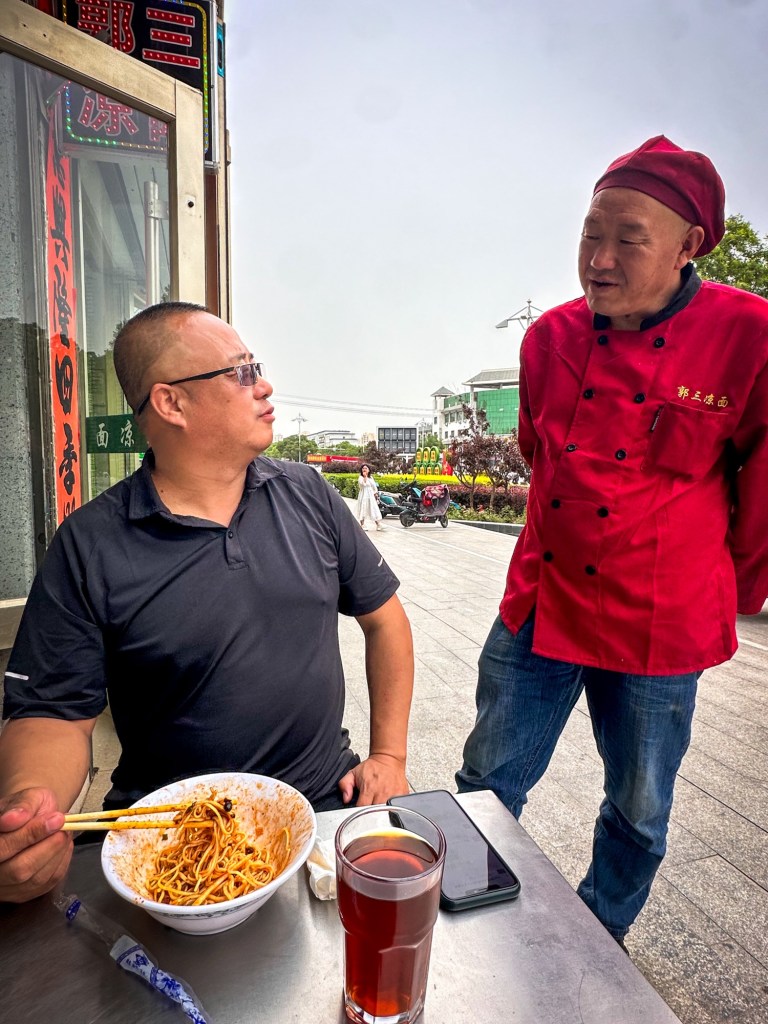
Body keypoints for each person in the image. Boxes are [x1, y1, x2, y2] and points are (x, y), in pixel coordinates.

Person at [456, 135, 768, 946]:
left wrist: (732, 591)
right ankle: (463, 929)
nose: (599, 259)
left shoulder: (750, 333)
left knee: (640, 806)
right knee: (484, 781)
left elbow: (764, 479)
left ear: (689, 245)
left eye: (628, 240)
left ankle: (603, 938)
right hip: (545, 595)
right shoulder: (548, 339)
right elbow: (538, 452)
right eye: (591, 234)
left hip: (660, 613)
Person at [0, 302, 414, 904]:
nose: (264, 386)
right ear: (171, 403)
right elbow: (53, 712)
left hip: (325, 802)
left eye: (257, 368)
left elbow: (386, 621)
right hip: (170, 838)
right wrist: (29, 809)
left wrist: (389, 755)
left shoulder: (309, 495)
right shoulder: (90, 544)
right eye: (242, 372)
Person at [356, 463, 383, 531]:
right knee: (363, 508)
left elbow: (374, 486)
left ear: (369, 470)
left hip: (370, 495)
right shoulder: (360, 477)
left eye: (366, 468)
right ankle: (362, 524)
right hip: (363, 495)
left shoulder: (371, 478)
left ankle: (378, 524)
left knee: (373, 508)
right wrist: (365, 476)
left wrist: (375, 493)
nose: (364, 469)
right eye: (363, 468)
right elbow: (363, 484)